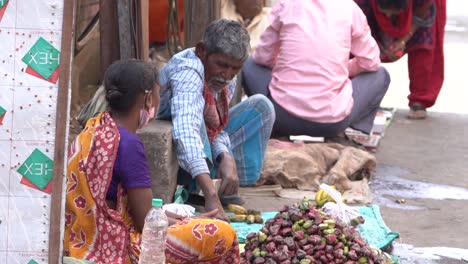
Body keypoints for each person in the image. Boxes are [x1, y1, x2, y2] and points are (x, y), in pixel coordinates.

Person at [64, 60, 240, 263]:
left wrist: (181, 219)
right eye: (158, 93)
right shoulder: (128, 144)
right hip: (114, 246)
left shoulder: (93, 129)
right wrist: (193, 221)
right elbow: (145, 223)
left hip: (80, 240)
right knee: (220, 233)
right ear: (148, 99)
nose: (158, 99)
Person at [157, 19, 275, 221]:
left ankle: (228, 186)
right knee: (197, 121)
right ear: (202, 51)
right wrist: (211, 195)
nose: (227, 75)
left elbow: (217, 127)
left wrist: (225, 155)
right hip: (184, 151)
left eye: (235, 69)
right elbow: (187, 129)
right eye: (222, 65)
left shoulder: (226, 76)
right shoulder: (188, 71)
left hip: (205, 141)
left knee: (261, 107)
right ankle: (204, 190)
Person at [242, 0, 390, 143]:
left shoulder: (287, 5)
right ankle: (345, 134)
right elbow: (371, 61)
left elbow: (262, 57)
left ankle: (277, 133)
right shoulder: (350, 8)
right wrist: (346, 69)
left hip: (281, 117)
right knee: (380, 75)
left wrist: (284, 68)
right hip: (332, 123)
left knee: (249, 66)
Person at [354, 0, 446, 119]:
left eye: (394, 13)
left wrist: (403, 39)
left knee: (423, 46)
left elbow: (422, 13)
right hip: (366, 10)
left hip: (421, 8)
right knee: (352, 43)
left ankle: (420, 100)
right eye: (385, 13)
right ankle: (351, 96)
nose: (389, 16)